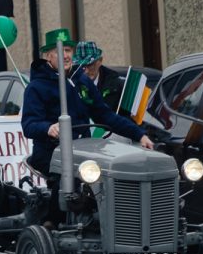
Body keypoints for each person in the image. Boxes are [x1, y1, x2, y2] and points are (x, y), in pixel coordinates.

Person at [22, 28, 153, 176]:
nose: (65, 56)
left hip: (83, 151)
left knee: (115, 171)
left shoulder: (82, 81)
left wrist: (139, 135)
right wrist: (48, 128)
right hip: (51, 153)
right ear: (48, 56)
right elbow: (29, 125)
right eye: (60, 51)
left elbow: (105, 115)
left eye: (68, 50)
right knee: (70, 184)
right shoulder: (36, 88)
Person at [73, 41, 123, 112]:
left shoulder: (115, 85)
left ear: (99, 61)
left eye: (90, 65)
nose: (86, 71)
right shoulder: (71, 84)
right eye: (82, 66)